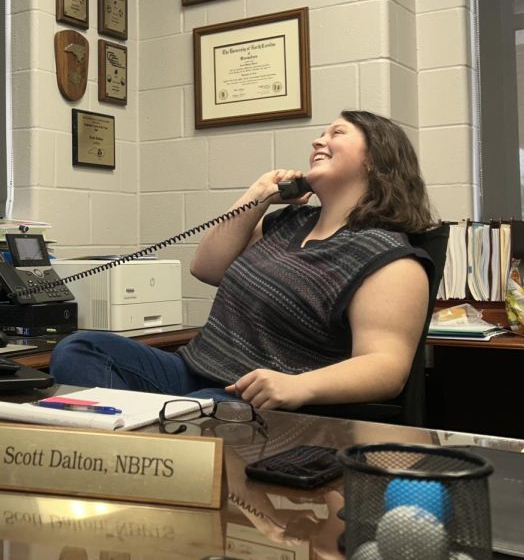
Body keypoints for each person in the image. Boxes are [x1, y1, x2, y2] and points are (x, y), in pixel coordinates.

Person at [49, 110, 436, 410]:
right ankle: (144, 444)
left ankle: (144, 447)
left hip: (258, 398)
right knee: (80, 349)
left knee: (206, 415)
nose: (319, 140)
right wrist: (258, 196)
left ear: (376, 159)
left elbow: (386, 367)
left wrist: (297, 386)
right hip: (195, 371)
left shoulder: (388, 258)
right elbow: (207, 267)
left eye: (337, 133)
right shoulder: (286, 223)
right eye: (321, 133)